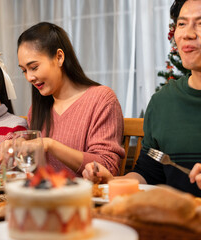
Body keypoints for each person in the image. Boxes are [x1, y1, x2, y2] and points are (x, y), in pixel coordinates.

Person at [83, 0, 201, 197]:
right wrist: (111, 182)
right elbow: (148, 174)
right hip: (173, 222)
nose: (188, 33)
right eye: (182, 23)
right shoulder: (163, 102)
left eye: (200, 23)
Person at [1, 22, 125, 177]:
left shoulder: (102, 99)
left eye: (34, 67)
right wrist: (17, 152)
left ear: (59, 57)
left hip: (86, 198)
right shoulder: (37, 110)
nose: (29, 77)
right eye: (24, 71)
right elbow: (32, 172)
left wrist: (50, 145)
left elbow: (107, 167)